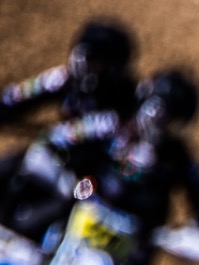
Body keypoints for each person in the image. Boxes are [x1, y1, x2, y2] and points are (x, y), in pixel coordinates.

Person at [2, 69, 199, 265]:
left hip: (132, 234)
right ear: (150, 105)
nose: (165, 127)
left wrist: (186, 231)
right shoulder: (112, 124)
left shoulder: (179, 157)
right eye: (165, 117)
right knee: (31, 224)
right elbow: (62, 136)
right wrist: (63, 174)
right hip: (83, 207)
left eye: (174, 123)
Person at [0, 20, 138, 195]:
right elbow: (19, 97)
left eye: (95, 61)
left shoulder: (124, 102)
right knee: (11, 166)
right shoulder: (64, 78)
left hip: (89, 180)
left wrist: (56, 133)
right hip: (56, 159)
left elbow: (88, 130)